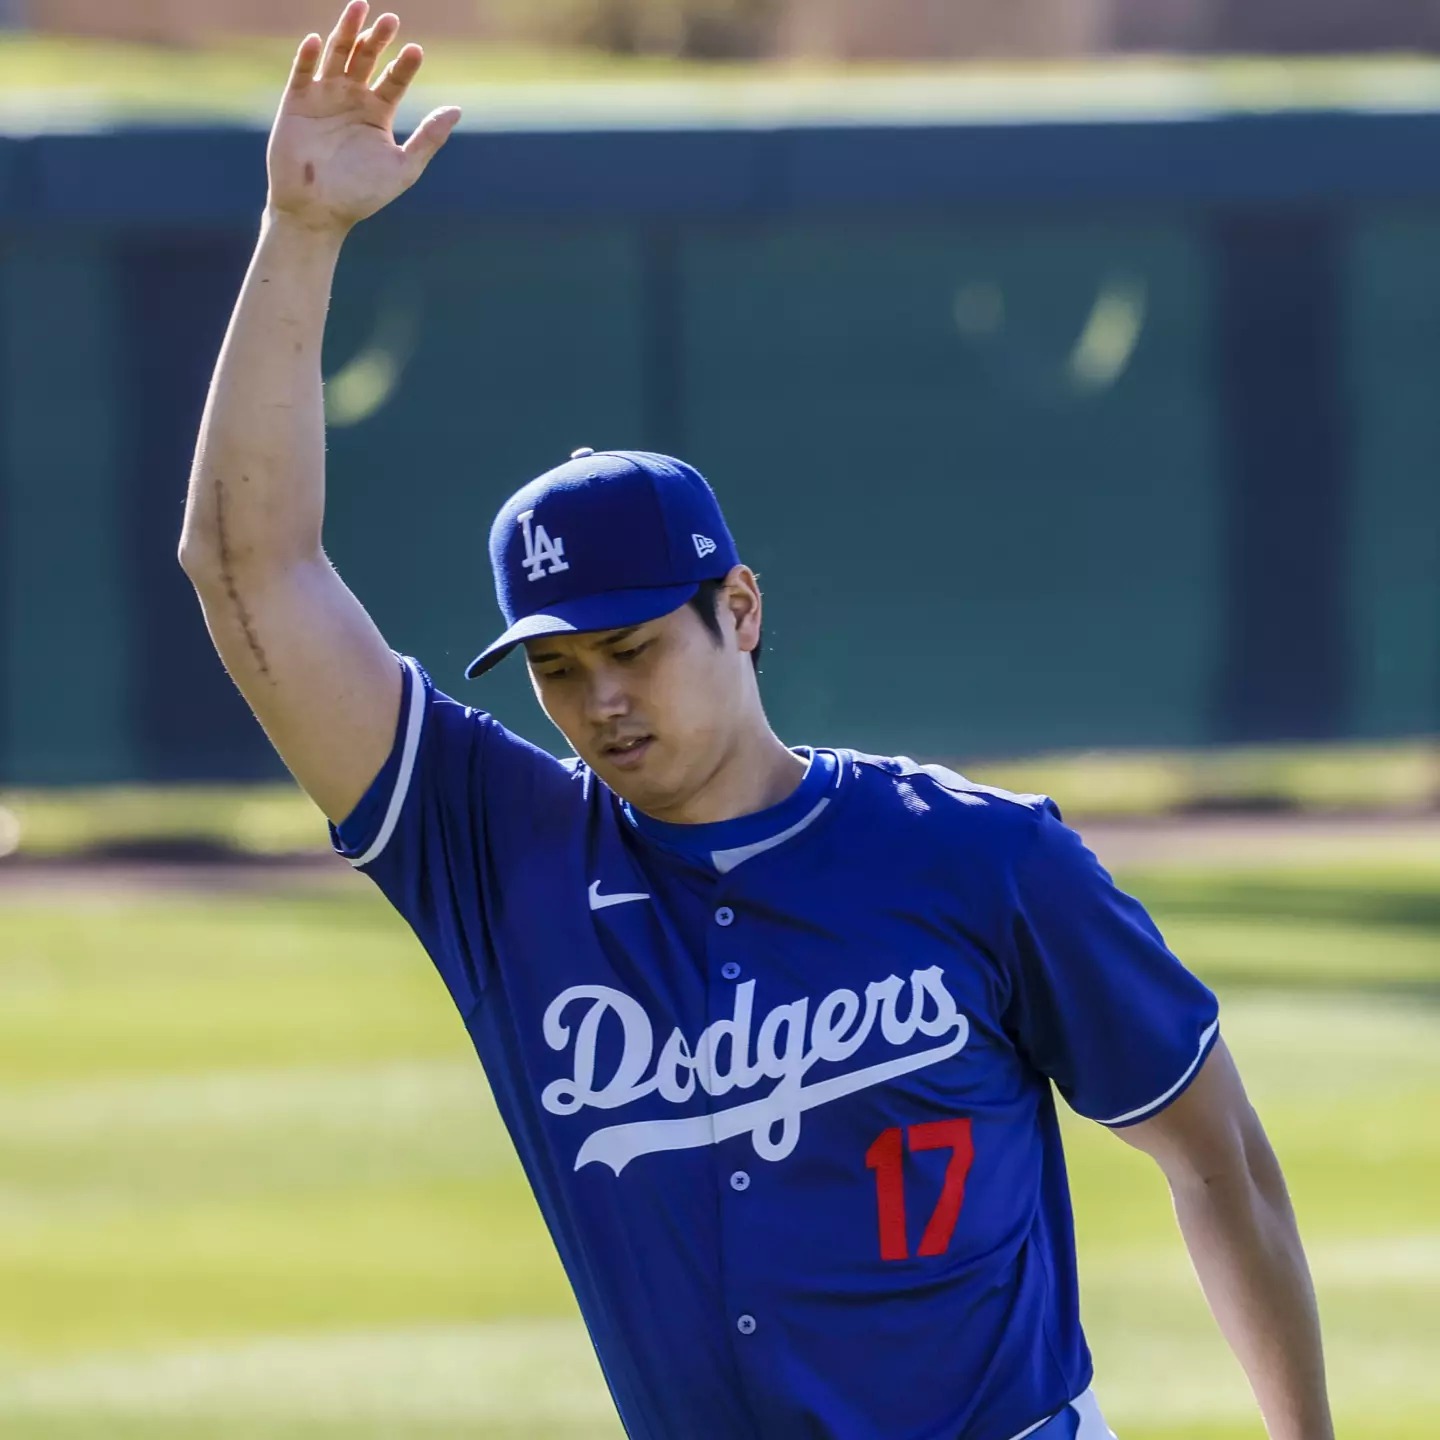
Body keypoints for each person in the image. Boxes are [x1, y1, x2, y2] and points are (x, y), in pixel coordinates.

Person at [180, 6, 1336, 1438]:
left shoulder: (982, 862)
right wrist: (301, 232)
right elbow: (250, 575)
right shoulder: (499, 858)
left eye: (631, 646)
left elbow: (1214, 1151)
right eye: (554, 671)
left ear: (737, 609)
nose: (598, 699)